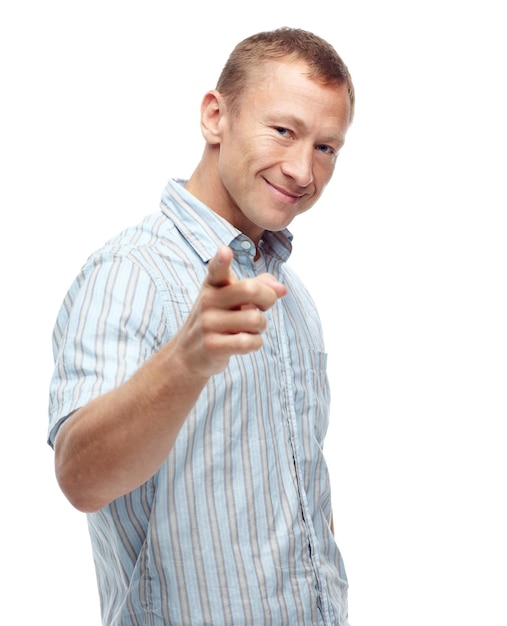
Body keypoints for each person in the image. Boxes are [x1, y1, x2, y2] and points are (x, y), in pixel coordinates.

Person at [48, 26, 355, 626]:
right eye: (284, 131)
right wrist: (184, 363)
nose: (301, 169)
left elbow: (301, 488)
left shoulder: (291, 295)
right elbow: (79, 479)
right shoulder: (127, 273)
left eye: (326, 147)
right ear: (216, 117)